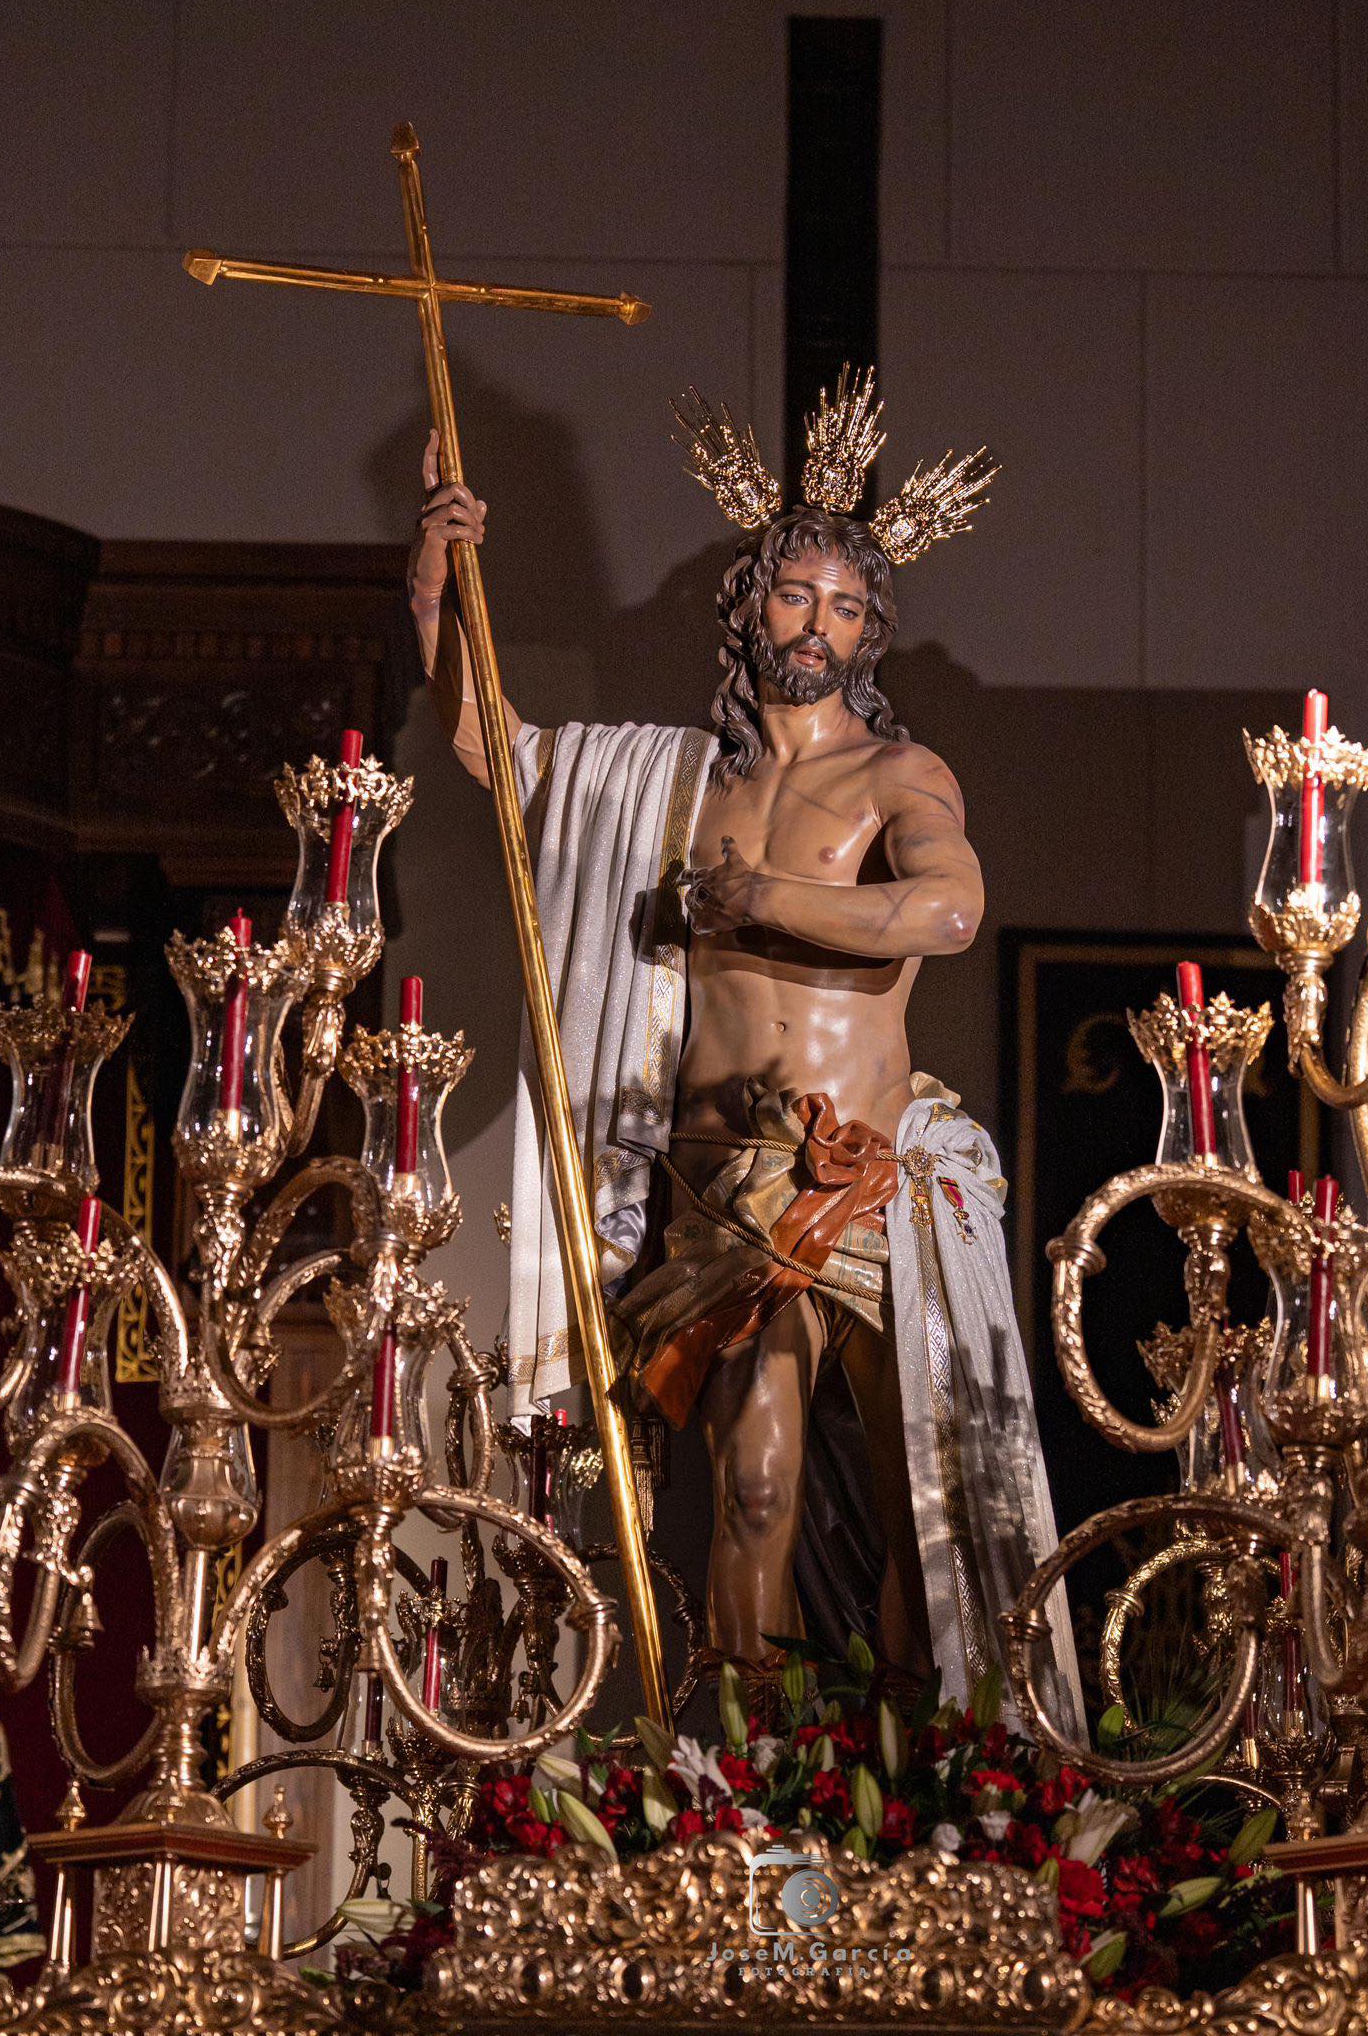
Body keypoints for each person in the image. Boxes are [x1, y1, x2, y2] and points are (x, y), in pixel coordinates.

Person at [409, 370, 1081, 1732]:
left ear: (872, 633)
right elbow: (491, 744)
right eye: (795, 598)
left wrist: (767, 900)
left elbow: (947, 909)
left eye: (845, 608)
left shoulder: (899, 778)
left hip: (867, 1174)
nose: (817, 628)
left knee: (920, 1500)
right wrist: (434, 574)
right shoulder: (667, 786)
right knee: (755, 1484)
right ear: (748, 609)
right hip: (724, 1184)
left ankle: (914, 1766)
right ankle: (739, 1776)